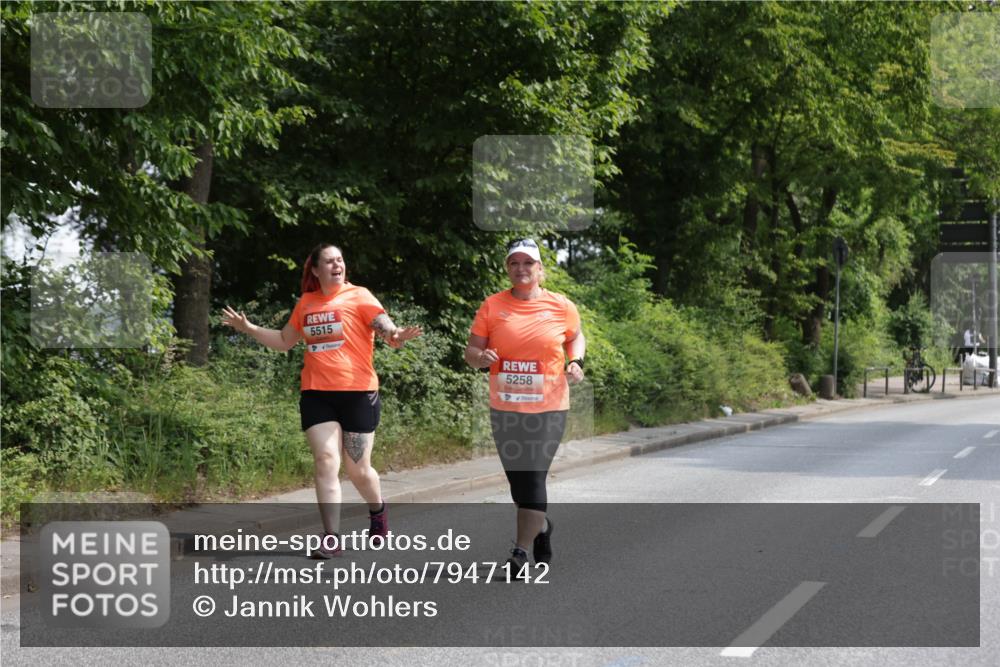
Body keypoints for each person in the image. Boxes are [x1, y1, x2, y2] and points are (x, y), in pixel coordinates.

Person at [221, 243, 421, 558]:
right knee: (326, 460)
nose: (336, 265)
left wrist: (395, 335)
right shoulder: (307, 303)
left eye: (340, 259)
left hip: (358, 392)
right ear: (315, 269)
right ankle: (332, 538)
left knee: (359, 470)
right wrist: (249, 328)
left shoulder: (360, 296)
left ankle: (378, 510)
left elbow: (383, 324)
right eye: (329, 261)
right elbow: (285, 341)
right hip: (317, 393)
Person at [464, 238, 585, 574]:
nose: (521, 269)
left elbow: (575, 336)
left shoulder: (561, 306)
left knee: (532, 476)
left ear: (540, 269)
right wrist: (481, 357)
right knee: (519, 483)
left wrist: (575, 361)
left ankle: (519, 551)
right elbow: (470, 354)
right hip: (505, 408)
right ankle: (542, 527)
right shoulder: (492, 306)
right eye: (514, 263)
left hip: (549, 407)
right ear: (507, 269)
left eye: (528, 263)